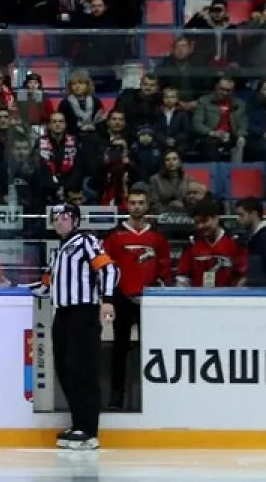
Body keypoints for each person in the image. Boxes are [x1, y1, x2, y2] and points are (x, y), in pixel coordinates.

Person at [30, 204, 119, 450]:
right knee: (66, 368)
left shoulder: (85, 241)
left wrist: (107, 300)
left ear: (76, 220)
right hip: (63, 313)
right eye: (55, 217)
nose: (58, 221)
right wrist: (16, 290)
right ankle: (78, 422)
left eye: (64, 217)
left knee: (83, 369)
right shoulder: (58, 251)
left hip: (83, 311)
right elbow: (47, 283)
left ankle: (89, 430)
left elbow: (108, 268)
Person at [101, 191, 172, 411]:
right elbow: (106, 267)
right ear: (126, 205)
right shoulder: (115, 236)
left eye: (141, 203)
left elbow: (165, 268)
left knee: (153, 349)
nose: (137, 207)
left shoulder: (157, 237)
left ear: (148, 205)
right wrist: (109, 297)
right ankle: (116, 397)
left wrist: (160, 290)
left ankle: (155, 396)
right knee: (119, 350)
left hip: (150, 299)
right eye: (133, 203)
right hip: (122, 298)